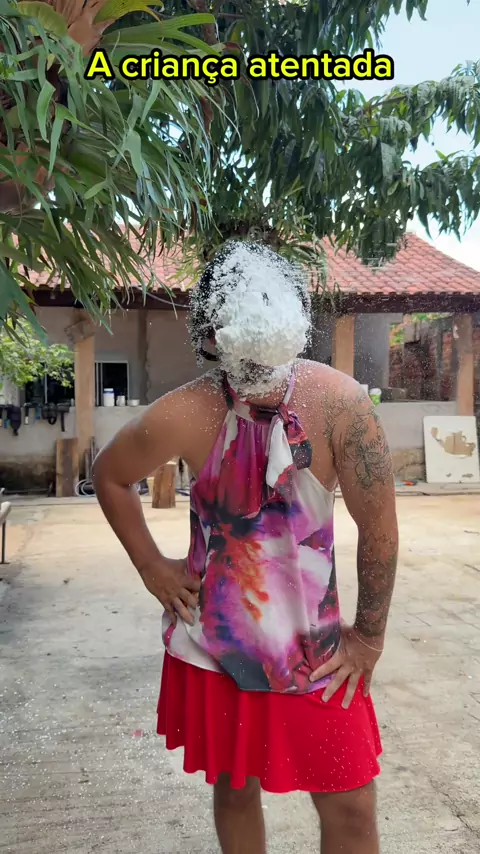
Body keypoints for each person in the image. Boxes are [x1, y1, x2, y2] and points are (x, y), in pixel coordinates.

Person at [93, 241, 398, 854]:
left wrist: (368, 636)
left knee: (351, 805)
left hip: (315, 654)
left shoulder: (340, 404)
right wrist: (152, 567)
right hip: (217, 648)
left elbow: (380, 528)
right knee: (236, 788)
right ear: (212, 336)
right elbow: (110, 474)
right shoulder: (185, 412)